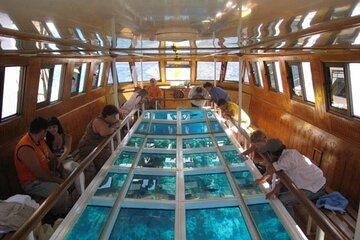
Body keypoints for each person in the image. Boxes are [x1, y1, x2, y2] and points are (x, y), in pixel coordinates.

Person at [255, 139, 326, 217]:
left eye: (268, 153)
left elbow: (271, 170)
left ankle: (290, 225)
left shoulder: (285, 160)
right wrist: (274, 190)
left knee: (283, 200)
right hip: (311, 180)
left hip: (316, 187)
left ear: (272, 153)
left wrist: (261, 180)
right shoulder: (290, 152)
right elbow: (287, 176)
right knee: (278, 192)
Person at [14, 117, 69, 215]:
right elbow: (39, 175)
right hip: (33, 183)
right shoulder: (26, 147)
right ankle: (60, 215)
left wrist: (62, 171)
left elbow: (52, 157)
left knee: (70, 174)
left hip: (46, 175)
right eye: (46, 131)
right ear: (43, 131)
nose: (46, 134)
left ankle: (66, 206)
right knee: (61, 192)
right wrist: (61, 181)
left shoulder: (40, 140)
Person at [78, 104, 120, 185]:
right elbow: (105, 132)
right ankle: (96, 183)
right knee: (108, 156)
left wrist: (114, 125)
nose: (115, 118)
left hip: (97, 146)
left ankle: (104, 178)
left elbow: (118, 122)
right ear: (107, 115)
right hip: (87, 146)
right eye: (114, 116)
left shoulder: (108, 120)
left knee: (108, 154)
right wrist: (114, 127)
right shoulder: (98, 121)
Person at [46, 117, 85, 195]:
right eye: (49, 128)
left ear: (58, 126)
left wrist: (59, 161)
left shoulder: (66, 137)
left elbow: (67, 151)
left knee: (77, 168)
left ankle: (82, 194)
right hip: (56, 164)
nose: (52, 129)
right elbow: (49, 154)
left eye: (54, 127)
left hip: (66, 161)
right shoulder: (47, 140)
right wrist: (56, 163)